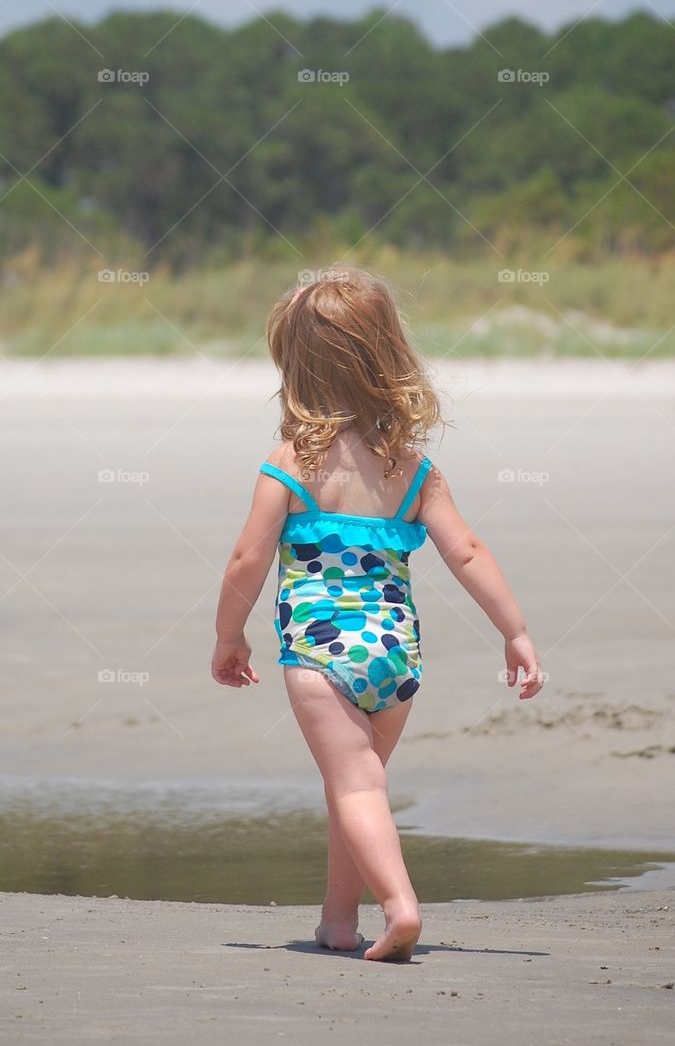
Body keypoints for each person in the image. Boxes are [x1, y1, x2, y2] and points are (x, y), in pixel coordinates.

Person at [211, 264, 544, 962]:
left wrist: (228, 637)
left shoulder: (288, 465)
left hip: (320, 656)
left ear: (296, 370)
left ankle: (400, 909)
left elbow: (246, 560)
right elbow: (470, 553)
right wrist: (513, 632)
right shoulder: (414, 471)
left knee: (355, 784)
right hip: (394, 658)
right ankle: (337, 921)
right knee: (353, 785)